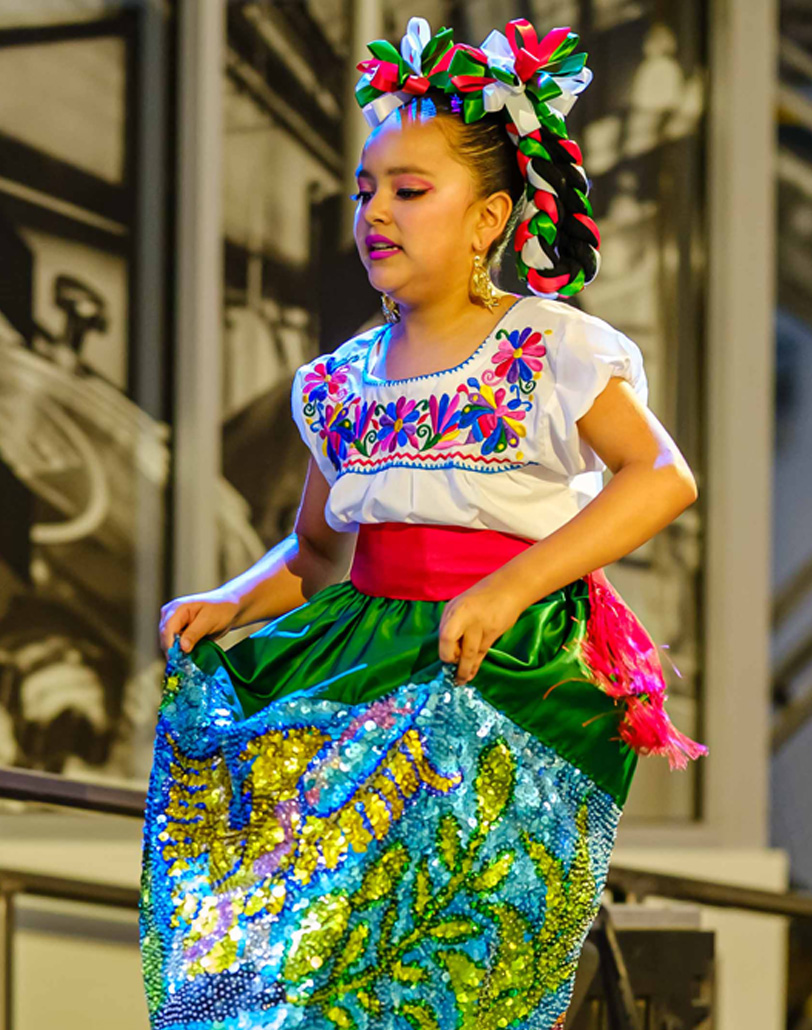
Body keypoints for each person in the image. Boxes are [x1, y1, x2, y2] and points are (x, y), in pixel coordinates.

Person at [139, 16, 707, 1030]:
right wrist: (233, 598)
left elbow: (657, 479)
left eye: (409, 190)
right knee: (292, 943)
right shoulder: (338, 381)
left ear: (488, 217)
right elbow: (317, 555)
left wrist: (505, 585)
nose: (376, 213)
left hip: (497, 668)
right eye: (366, 191)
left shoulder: (546, 345)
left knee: (447, 956)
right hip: (366, 652)